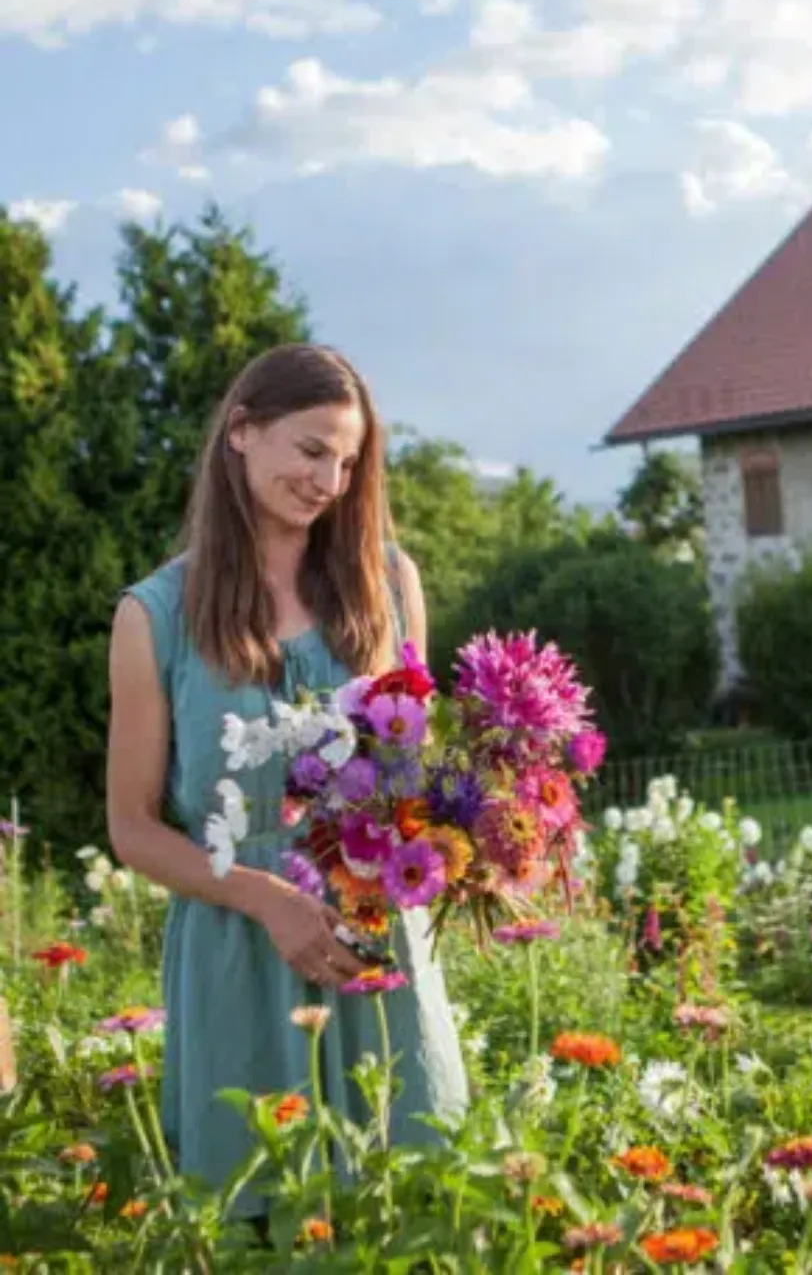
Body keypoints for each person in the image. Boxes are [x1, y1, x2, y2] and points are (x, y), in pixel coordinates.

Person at [105, 343, 468, 1215]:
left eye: (347, 462)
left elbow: (413, 773)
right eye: (311, 451)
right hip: (238, 952)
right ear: (241, 432)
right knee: (261, 1215)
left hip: (375, 943)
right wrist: (269, 898)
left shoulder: (387, 584)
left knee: (416, 1204)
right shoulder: (153, 615)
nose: (329, 481)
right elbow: (134, 825)